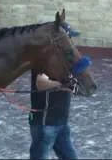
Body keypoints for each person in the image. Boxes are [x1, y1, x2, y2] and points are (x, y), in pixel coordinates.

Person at [28, 21, 79, 159]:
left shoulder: (63, 58)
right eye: (69, 38)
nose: (71, 41)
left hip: (61, 121)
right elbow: (41, 82)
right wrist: (63, 85)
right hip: (45, 123)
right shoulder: (44, 57)